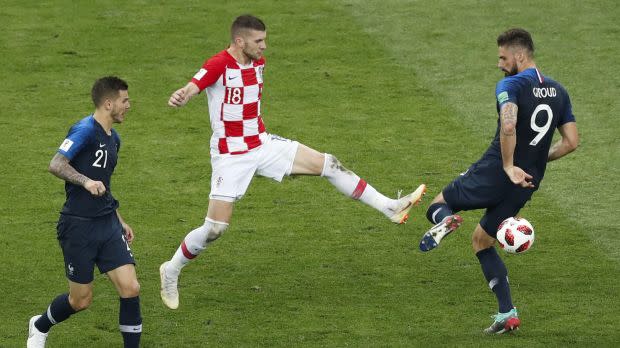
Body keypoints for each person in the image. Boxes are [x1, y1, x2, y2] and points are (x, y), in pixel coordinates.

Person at [159, 14, 426, 310]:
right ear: (239, 41)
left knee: (328, 163)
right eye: (259, 41)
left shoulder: (258, 63)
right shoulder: (219, 64)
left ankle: (389, 206)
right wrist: (184, 95)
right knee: (215, 229)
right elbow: (196, 84)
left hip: (262, 143)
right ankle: (171, 269)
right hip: (231, 155)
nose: (265, 46)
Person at [418, 28, 579, 334]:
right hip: (528, 183)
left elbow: (509, 126)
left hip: (496, 172)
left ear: (520, 55)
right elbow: (571, 142)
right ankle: (507, 313)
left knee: (438, 204)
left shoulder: (511, 85)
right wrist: (535, 159)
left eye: (503, 57)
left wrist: (508, 166)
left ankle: (447, 219)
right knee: (482, 241)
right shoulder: (560, 91)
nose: (500, 64)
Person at [27, 77, 142, 347]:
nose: (129, 105)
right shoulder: (84, 131)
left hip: (107, 224)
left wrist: (119, 219)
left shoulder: (115, 139)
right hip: (78, 227)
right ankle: (40, 325)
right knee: (81, 300)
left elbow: (106, 185)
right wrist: (85, 181)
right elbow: (56, 164)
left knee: (131, 287)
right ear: (108, 103)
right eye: (125, 100)